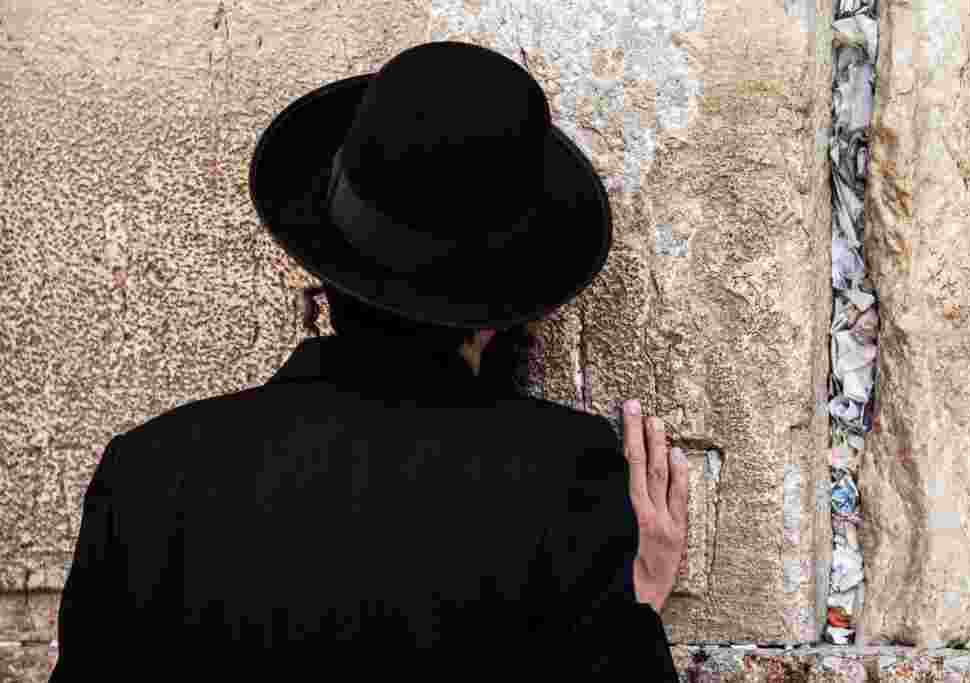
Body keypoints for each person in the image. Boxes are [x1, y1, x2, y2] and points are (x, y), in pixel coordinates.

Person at [50, 41, 688, 681]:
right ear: (503, 313)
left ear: (323, 275)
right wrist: (635, 616)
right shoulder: (567, 478)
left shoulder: (151, 476)